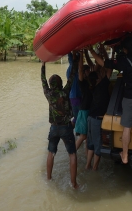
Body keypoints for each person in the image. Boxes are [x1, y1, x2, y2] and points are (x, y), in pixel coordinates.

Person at [91, 33, 132, 167]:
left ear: (124, 49)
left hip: (129, 97)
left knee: (126, 127)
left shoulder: (123, 61)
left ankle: (124, 155)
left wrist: (90, 51)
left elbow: (103, 63)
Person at [41, 55, 79, 189]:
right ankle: (73, 184)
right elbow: (72, 77)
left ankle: (48, 178)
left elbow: (43, 81)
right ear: (61, 83)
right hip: (66, 128)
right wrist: (75, 61)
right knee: (72, 154)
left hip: (53, 128)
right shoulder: (65, 92)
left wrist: (43, 65)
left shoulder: (48, 94)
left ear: (51, 85)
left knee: (51, 153)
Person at [86, 44, 112, 170]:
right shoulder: (102, 86)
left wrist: (98, 52)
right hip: (97, 120)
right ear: (99, 78)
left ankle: (87, 166)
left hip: (90, 118)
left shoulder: (91, 86)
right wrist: (103, 53)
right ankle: (95, 169)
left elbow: (103, 68)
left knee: (90, 144)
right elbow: (109, 68)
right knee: (98, 146)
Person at [74, 50, 93, 151]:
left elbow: (93, 66)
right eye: (87, 70)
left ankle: (87, 161)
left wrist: (87, 52)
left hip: (88, 109)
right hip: (84, 110)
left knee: (88, 137)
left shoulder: (91, 80)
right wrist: (81, 54)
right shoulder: (82, 82)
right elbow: (80, 69)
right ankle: (72, 154)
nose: (89, 71)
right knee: (83, 136)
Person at [67, 52, 82, 124]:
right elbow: (73, 60)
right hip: (75, 97)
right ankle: (71, 130)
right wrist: (74, 51)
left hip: (75, 96)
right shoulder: (72, 68)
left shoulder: (73, 69)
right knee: (77, 117)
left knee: (78, 116)